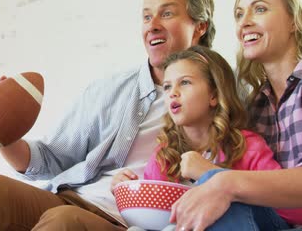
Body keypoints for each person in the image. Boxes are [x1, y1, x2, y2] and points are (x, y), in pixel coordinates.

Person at [0, 0, 216, 230]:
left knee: (63, 220)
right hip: (73, 199)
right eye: (146, 17)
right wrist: (2, 134)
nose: (153, 26)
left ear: (200, 26)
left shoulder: (221, 98)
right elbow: (50, 158)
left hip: (120, 220)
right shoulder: (110, 90)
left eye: (166, 14)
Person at [169, 0, 302, 230]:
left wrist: (224, 182)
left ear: (294, 20)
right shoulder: (255, 105)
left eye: (259, 9)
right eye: (239, 14)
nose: (244, 23)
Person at [114, 45, 299, 230]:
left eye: (185, 82)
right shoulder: (164, 154)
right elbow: (156, 216)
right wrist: (128, 190)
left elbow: (293, 211)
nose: (173, 92)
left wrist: (209, 173)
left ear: (214, 95)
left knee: (226, 200)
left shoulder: (247, 145)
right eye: (167, 86)